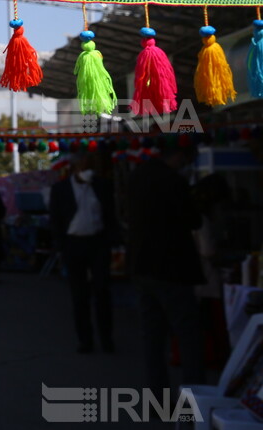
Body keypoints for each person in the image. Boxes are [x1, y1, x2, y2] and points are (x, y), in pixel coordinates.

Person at [123, 141, 205, 391]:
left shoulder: (137, 176)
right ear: (180, 156)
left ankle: (155, 398)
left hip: (141, 265)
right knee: (188, 336)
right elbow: (193, 220)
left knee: (153, 337)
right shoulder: (174, 182)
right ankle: (193, 399)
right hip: (173, 268)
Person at [50, 151, 119, 354]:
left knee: (102, 292)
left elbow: (109, 214)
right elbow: (56, 219)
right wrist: (61, 246)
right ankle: (85, 339)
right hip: (74, 244)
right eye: (84, 165)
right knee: (79, 295)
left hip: (98, 243)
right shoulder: (61, 189)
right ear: (74, 166)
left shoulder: (101, 186)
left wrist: (112, 240)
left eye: (90, 165)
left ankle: (106, 338)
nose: (88, 169)